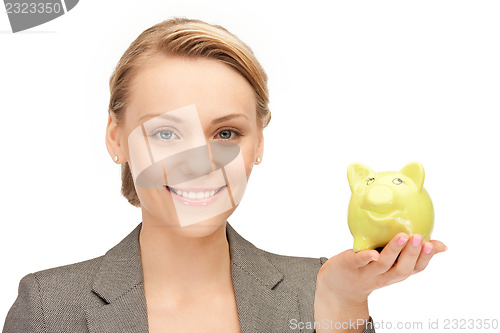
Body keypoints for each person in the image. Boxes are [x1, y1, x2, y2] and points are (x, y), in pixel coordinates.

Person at [2, 17, 446, 333]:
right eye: (166, 133)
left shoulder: (320, 290)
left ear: (258, 145)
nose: (200, 163)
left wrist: (341, 304)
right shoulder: (49, 307)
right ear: (116, 139)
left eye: (227, 132)